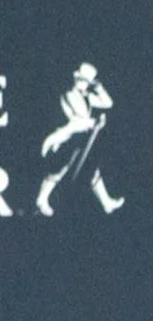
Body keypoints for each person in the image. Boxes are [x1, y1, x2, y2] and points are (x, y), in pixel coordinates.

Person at [38, 61, 120, 215]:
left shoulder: (87, 96)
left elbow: (108, 103)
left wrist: (99, 88)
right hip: (64, 138)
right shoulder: (68, 94)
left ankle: (106, 203)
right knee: (59, 168)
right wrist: (95, 122)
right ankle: (41, 200)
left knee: (91, 168)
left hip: (80, 140)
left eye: (86, 81)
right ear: (75, 78)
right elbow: (79, 120)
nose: (83, 83)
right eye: (81, 79)